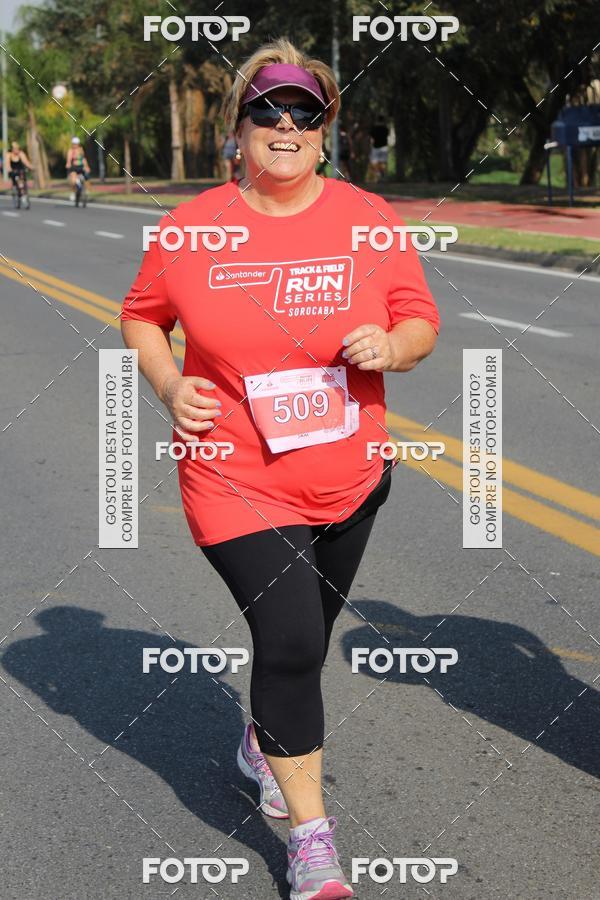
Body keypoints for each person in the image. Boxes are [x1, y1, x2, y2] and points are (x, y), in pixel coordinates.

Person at [121, 38, 439, 900]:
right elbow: (142, 316)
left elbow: (419, 316)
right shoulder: (192, 229)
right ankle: (313, 844)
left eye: (306, 110)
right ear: (240, 125)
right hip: (234, 473)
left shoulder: (368, 218)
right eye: (267, 107)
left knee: (309, 635)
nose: (286, 124)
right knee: (293, 640)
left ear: (327, 127)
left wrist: (394, 347)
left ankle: (264, 740)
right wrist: (167, 380)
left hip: (349, 475)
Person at [369, 116, 389, 181]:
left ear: (377, 120)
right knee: (383, 162)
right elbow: (387, 136)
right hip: (384, 147)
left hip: (376, 147)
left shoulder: (374, 128)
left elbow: (372, 139)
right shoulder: (385, 128)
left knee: (374, 162)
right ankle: (382, 174)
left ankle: (378, 173)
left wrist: (371, 146)